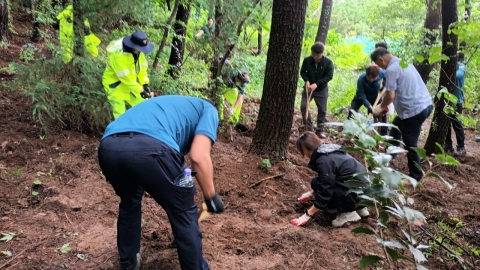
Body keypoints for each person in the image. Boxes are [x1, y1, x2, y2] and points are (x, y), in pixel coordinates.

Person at [97, 95, 225, 270]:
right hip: (152, 148)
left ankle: (128, 261)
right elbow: (198, 156)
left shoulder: (172, 105)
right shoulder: (209, 110)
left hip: (109, 147)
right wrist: (211, 196)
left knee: (129, 201)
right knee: (184, 209)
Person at [371, 48, 433, 181]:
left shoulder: (392, 70)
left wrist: (380, 107)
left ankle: (416, 176)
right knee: (396, 126)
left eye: (379, 64)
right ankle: (389, 156)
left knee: (410, 143)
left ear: (381, 60)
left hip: (413, 111)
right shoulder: (405, 63)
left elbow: (390, 95)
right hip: (425, 104)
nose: (380, 67)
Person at [290, 132, 370, 227]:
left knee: (319, 185)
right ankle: (360, 208)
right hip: (365, 190)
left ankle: (349, 213)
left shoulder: (324, 160)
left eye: (303, 151)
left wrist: (307, 215)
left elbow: (325, 191)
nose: (304, 155)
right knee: (316, 183)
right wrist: (311, 193)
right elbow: (329, 179)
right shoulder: (330, 150)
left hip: (355, 193)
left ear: (306, 149)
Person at [102, 31, 154, 119]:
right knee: (120, 116)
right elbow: (125, 77)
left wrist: (145, 84)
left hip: (130, 85)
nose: (142, 51)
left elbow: (142, 70)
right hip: (115, 86)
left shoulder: (139, 53)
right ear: (134, 46)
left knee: (144, 105)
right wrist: (140, 91)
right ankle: (119, 132)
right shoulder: (118, 56)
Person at [300, 42, 334, 138]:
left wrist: (317, 84)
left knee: (322, 110)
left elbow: (329, 76)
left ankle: (319, 130)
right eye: (313, 54)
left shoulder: (328, 63)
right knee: (303, 106)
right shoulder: (307, 60)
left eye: (317, 55)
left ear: (322, 53)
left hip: (321, 90)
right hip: (308, 88)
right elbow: (302, 72)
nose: (315, 57)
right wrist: (306, 80)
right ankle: (309, 127)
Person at [348, 64, 388, 135]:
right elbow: (361, 95)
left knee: (382, 113)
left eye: (373, 78)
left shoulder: (381, 72)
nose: (371, 80)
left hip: (375, 97)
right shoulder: (361, 79)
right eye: (369, 78)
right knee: (352, 111)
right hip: (361, 97)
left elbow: (387, 75)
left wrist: (384, 84)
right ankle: (348, 130)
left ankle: (383, 134)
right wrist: (369, 106)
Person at [441, 61, 467, 155]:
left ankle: (461, 147)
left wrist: (447, 73)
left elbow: (458, 75)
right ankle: (448, 144)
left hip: (456, 101)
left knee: (456, 124)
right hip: (446, 100)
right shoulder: (446, 65)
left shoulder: (461, 66)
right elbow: (442, 83)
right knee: (446, 124)